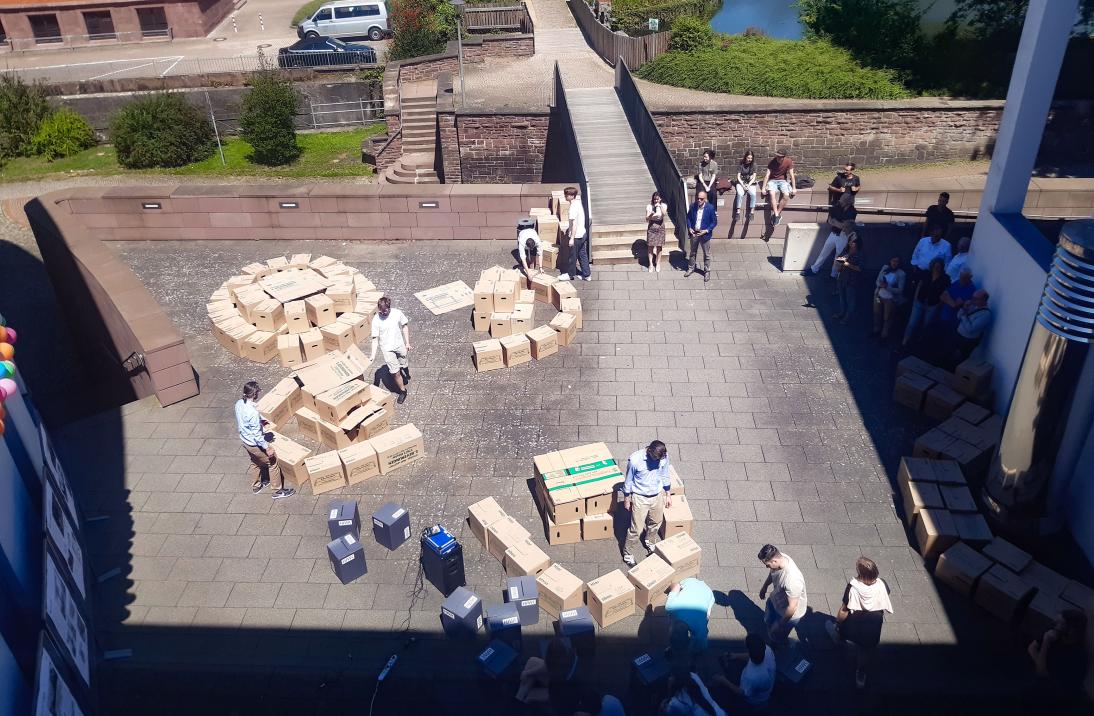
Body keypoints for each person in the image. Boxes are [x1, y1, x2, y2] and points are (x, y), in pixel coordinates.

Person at [826, 557, 893, 689]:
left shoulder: (853, 587)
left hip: (855, 622)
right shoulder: (882, 584)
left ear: (860, 574)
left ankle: (837, 635)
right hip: (873, 624)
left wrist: (839, 622)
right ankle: (860, 675)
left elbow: (844, 609)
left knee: (841, 632)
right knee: (865, 650)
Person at [235, 381, 295, 499]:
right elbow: (257, 435)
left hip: (245, 441)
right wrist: (267, 448)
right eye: (258, 392)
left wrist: (263, 420)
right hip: (254, 443)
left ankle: (256, 485)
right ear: (255, 393)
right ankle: (278, 491)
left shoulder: (239, 403)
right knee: (272, 462)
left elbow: (251, 418)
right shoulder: (252, 412)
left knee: (255, 461)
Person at [621, 440, 672, 567]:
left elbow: (665, 474)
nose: (656, 462)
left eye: (659, 460)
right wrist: (627, 498)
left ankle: (650, 542)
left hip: (657, 495)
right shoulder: (635, 460)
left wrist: (668, 494)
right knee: (636, 529)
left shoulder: (663, 457)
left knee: (656, 522)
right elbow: (628, 480)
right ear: (649, 451)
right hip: (640, 497)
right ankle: (627, 554)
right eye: (655, 459)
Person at [1027, 609, 1089, 708]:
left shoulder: (1077, 656)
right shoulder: (1055, 630)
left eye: (1061, 623)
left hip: (1057, 692)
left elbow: (1041, 673)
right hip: (1043, 676)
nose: (1056, 625)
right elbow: (1032, 647)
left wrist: (1046, 643)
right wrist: (1038, 660)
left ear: (1072, 630)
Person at [757, 544, 807, 645]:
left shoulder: (792, 580)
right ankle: (770, 631)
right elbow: (772, 573)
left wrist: (780, 624)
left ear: (774, 561)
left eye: (767, 565)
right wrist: (765, 586)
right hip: (776, 599)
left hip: (786, 615)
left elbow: (792, 607)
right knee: (769, 621)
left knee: (777, 635)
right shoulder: (780, 558)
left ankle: (774, 647)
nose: (767, 567)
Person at [712, 633, 776, 711]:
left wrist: (723, 680)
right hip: (765, 688)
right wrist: (736, 655)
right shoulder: (768, 650)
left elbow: (742, 693)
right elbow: (753, 655)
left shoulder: (751, 677)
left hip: (755, 700)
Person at [803, 192, 857, 278]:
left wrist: (836, 223)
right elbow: (830, 220)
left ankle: (834, 275)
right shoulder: (837, 207)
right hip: (833, 234)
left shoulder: (852, 212)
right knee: (824, 252)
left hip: (843, 236)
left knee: (839, 256)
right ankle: (814, 269)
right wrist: (838, 223)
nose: (840, 200)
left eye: (842, 199)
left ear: (848, 201)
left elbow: (845, 226)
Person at [369, 296, 411, 404]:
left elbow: (404, 326)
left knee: (403, 363)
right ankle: (403, 391)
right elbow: (375, 338)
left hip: (399, 345)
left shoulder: (397, 313)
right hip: (387, 349)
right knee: (395, 372)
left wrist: (407, 343)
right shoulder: (376, 320)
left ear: (389, 307)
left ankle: (405, 370)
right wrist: (372, 355)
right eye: (380, 311)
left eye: (385, 311)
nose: (382, 313)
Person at [903, 257, 950, 349]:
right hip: (919, 302)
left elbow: (945, 292)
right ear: (932, 266)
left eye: (938, 267)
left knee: (926, 325)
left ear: (942, 267)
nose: (936, 268)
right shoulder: (925, 274)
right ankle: (905, 342)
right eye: (935, 266)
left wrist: (939, 305)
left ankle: (920, 342)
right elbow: (919, 285)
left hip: (933, 304)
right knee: (912, 323)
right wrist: (915, 298)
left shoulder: (945, 278)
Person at [665, 579, 716, 651]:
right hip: (690, 582)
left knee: (706, 617)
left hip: (707, 592)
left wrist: (696, 651)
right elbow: (675, 585)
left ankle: (677, 648)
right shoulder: (670, 607)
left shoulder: (699, 627)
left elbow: (702, 646)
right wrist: (667, 591)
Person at [660, 667, 726, 716]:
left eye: (671, 676)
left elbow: (666, 712)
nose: (669, 678)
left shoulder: (676, 702)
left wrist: (669, 692)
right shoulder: (693, 676)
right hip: (719, 712)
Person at [685, 191, 717, 283]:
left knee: (706, 254)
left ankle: (707, 271)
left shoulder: (710, 208)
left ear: (705, 199)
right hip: (694, 233)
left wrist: (706, 230)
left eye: (701, 199)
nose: (699, 200)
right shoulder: (693, 206)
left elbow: (714, 222)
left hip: (704, 234)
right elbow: (688, 218)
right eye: (698, 198)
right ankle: (691, 268)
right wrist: (690, 227)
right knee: (692, 252)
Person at [559, 186, 589, 282]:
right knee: (583, 254)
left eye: (566, 194)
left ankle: (570, 274)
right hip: (583, 233)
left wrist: (571, 238)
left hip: (576, 236)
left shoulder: (572, 208)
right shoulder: (578, 203)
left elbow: (574, 224)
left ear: (572, 196)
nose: (565, 196)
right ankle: (587, 275)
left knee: (572, 257)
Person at [872, 257, 907, 339]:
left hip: (890, 299)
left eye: (897, 261)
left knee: (887, 318)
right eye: (893, 261)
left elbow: (900, 290)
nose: (894, 263)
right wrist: (880, 284)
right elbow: (877, 280)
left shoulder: (901, 274)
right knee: (877, 313)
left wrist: (888, 287)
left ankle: (884, 336)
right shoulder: (885, 268)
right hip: (878, 296)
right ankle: (876, 331)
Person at [953, 289, 992, 360]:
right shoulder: (972, 306)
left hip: (966, 341)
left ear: (983, 300)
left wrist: (964, 316)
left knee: (958, 359)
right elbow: (958, 316)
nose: (972, 300)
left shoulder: (986, 314)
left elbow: (970, 329)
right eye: (972, 297)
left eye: (976, 299)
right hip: (958, 335)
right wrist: (963, 308)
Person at [761, 148, 796, 226]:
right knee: (772, 193)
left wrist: (794, 188)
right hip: (772, 180)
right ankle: (777, 215)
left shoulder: (788, 161)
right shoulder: (772, 162)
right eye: (777, 156)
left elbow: (792, 175)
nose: (778, 158)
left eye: (780, 157)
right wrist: (763, 188)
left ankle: (776, 213)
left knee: (786, 195)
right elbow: (767, 175)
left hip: (782, 181)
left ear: (784, 157)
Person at [832, 238, 863, 324]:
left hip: (851, 280)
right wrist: (841, 260)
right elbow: (838, 258)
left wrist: (848, 264)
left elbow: (860, 268)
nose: (850, 244)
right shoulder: (846, 250)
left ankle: (847, 317)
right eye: (850, 242)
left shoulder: (860, 254)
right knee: (842, 298)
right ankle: (842, 313)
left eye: (852, 243)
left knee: (850, 300)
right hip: (842, 277)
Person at [646, 192, 667, 274]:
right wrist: (651, 214)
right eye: (654, 199)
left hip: (660, 226)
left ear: (660, 199)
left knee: (659, 246)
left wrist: (659, 206)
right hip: (652, 226)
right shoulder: (649, 206)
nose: (656, 200)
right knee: (650, 246)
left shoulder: (664, 205)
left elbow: (664, 214)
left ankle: (658, 263)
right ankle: (650, 264)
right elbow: (647, 219)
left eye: (657, 199)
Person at [734, 150, 758, 219]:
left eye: (751, 158)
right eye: (748, 158)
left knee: (753, 194)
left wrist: (748, 185)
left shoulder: (754, 165)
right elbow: (738, 176)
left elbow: (754, 177)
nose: (750, 160)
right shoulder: (741, 164)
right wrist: (743, 185)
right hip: (741, 182)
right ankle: (738, 212)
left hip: (750, 183)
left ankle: (752, 212)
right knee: (740, 194)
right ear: (745, 157)